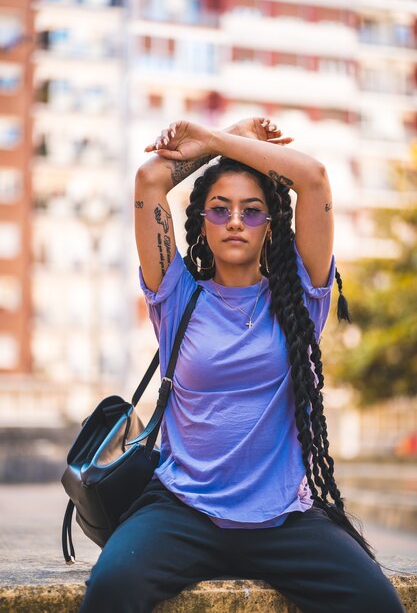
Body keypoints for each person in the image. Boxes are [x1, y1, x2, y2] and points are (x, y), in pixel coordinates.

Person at [79, 117, 404, 613]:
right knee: (109, 589)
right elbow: (149, 179)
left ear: (270, 226)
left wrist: (217, 141)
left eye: (252, 212)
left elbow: (313, 178)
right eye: (221, 209)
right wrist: (226, 136)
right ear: (203, 222)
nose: (235, 220)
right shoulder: (176, 294)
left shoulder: (300, 299)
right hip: (183, 512)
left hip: (284, 521)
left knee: (378, 604)